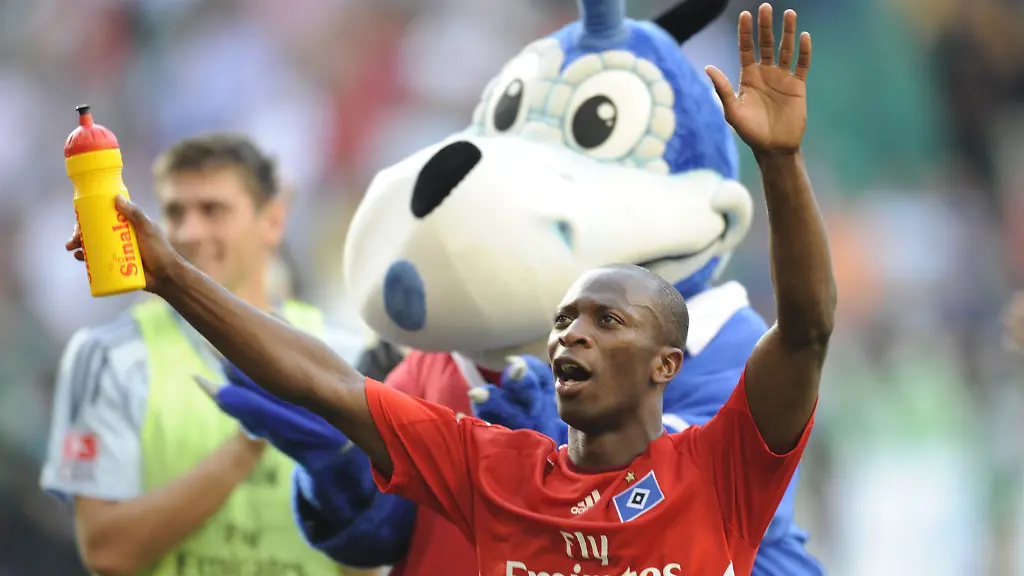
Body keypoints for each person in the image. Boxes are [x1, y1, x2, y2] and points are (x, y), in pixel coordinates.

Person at [66, 5, 834, 574]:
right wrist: (170, 276)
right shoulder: (494, 465)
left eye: (607, 321)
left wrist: (779, 164)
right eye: (565, 319)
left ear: (669, 361)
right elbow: (326, 383)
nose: (571, 333)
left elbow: (806, 331)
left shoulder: (718, 466)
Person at [42, 134, 376, 576]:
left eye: (213, 210)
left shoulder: (348, 358)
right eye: (175, 212)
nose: (189, 233)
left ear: (273, 220)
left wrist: (341, 478)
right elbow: (108, 553)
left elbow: (380, 557)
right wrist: (250, 442)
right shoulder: (107, 357)